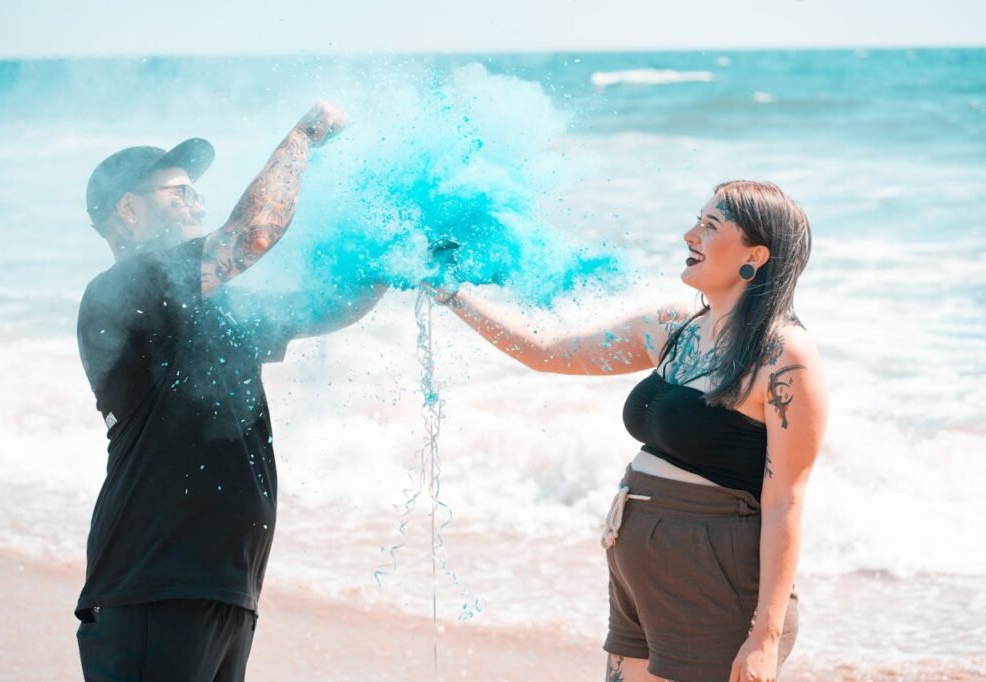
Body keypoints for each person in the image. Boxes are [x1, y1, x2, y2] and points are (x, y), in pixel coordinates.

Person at [434, 181, 828, 682]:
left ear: (755, 254)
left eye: (710, 226)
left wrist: (765, 637)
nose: (690, 235)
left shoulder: (784, 358)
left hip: (717, 581)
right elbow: (548, 351)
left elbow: (785, 502)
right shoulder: (672, 328)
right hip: (637, 568)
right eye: (696, 220)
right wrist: (452, 293)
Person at [75, 102, 381, 681]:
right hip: (153, 585)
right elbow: (253, 234)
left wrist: (400, 260)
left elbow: (322, 309)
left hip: (221, 586)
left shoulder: (209, 307)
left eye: (195, 191)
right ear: (130, 211)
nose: (196, 201)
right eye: (177, 192)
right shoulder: (122, 290)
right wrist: (303, 137)